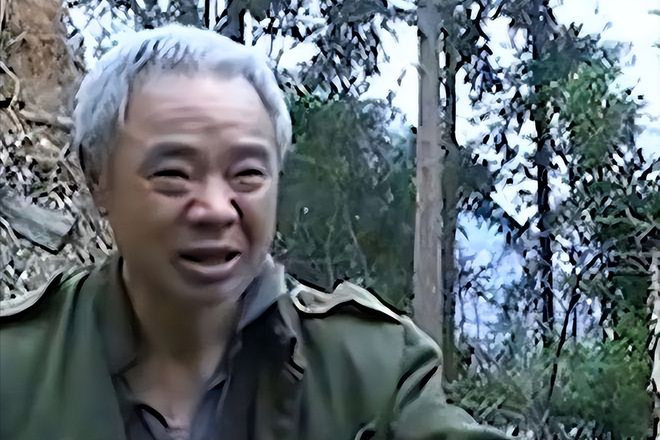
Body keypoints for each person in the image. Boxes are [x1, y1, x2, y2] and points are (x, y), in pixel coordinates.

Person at [0, 24, 509, 440]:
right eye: (173, 174)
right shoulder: (17, 368)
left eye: (247, 174)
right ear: (97, 180)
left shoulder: (371, 371)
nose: (216, 209)